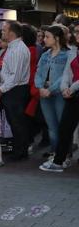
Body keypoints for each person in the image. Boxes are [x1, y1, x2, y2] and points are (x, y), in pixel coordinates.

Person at [0, 21, 32, 161]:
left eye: (4, 31)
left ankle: (21, 151)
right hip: (11, 88)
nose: (2, 33)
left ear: (12, 33)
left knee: (17, 121)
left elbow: (15, 76)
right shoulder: (12, 47)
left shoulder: (19, 49)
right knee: (13, 121)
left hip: (16, 90)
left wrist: (1, 89)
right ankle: (18, 148)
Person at [40, 42, 79, 172]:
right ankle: (58, 162)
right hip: (71, 94)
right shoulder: (74, 50)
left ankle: (60, 160)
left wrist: (71, 88)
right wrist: (64, 87)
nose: (77, 34)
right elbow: (67, 72)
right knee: (65, 128)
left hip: (73, 91)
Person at [34, 25, 69, 156]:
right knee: (51, 127)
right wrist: (41, 88)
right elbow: (38, 73)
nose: (44, 39)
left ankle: (64, 154)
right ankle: (55, 153)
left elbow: (66, 75)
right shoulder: (44, 55)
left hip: (60, 93)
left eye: (47, 37)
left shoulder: (67, 55)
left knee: (63, 125)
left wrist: (51, 89)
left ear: (57, 38)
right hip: (44, 93)